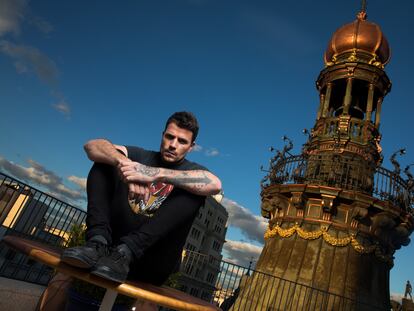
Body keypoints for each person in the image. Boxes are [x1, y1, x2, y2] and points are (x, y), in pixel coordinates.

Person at [61, 111, 221, 285]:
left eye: (182, 141)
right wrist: (125, 166)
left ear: (191, 146)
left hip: (151, 262)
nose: (173, 145)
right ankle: (96, 242)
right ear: (162, 136)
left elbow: (215, 185)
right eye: (169, 137)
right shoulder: (139, 156)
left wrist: (152, 173)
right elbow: (92, 146)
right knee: (105, 160)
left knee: (194, 192)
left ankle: (127, 250)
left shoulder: (193, 169)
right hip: (107, 250)